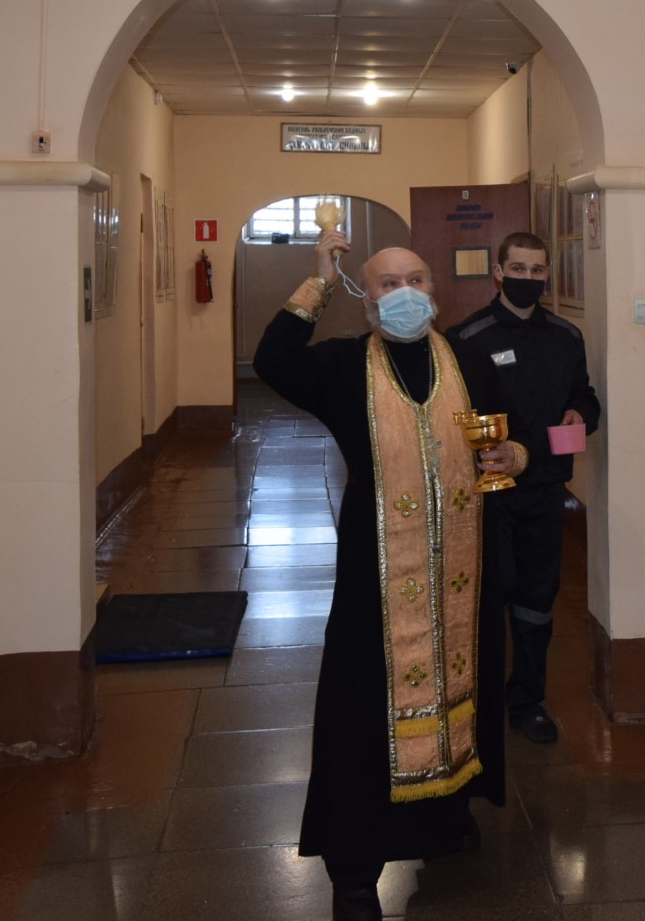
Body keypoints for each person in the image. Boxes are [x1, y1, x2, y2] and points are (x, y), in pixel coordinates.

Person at [254, 234, 529, 921]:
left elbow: (505, 436)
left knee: (463, 689)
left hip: (463, 572)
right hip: (376, 580)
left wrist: (515, 454)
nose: (404, 292)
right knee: (362, 713)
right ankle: (354, 870)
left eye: (415, 279)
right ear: (367, 300)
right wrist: (319, 279)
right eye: (387, 283)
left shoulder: (467, 360)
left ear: (433, 290)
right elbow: (273, 361)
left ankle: (445, 819)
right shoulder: (343, 366)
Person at [446, 232, 601, 746]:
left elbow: (584, 396)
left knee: (538, 596)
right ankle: (477, 699)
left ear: (547, 274)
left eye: (537, 270)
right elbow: (452, 417)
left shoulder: (566, 336)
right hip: (488, 492)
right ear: (498, 273)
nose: (528, 278)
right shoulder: (467, 337)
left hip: (546, 489)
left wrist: (582, 413)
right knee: (491, 592)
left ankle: (526, 700)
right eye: (518, 269)